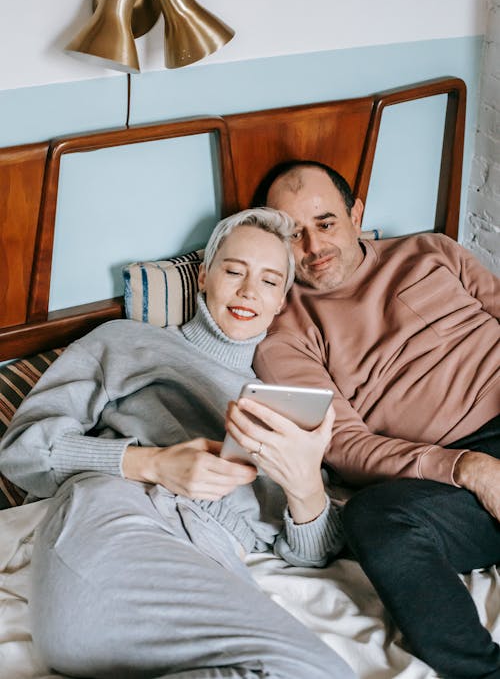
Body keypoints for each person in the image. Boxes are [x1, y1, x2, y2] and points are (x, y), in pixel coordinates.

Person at [0, 208, 355, 679]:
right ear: (204, 277)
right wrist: (152, 464)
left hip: (212, 559)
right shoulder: (125, 341)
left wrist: (306, 484)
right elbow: (21, 450)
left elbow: (313, 555)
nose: (249, 291)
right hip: (118, 513)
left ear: (281, 303)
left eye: (269, 281)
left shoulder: (282, 402)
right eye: (234, 271)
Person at [251, 159, 500, 679]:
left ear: (355, 214)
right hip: (453, 472)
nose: (315, 248)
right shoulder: (287, 333)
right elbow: (345, 445)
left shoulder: (431, 251)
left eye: (325, 223)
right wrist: (466, 468)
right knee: (374, 520)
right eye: (294, 234)